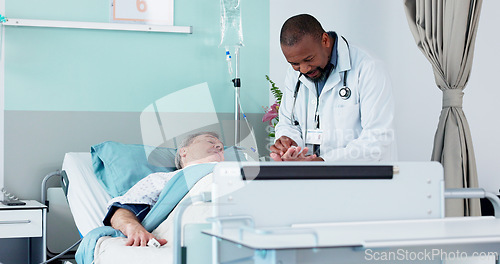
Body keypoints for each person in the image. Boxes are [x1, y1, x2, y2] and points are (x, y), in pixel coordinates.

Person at [270, 14, 396, 162]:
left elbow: (377, 139)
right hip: (310, 177)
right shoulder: (295, 73)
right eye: (294, 63)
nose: (303, 69)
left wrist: (323, 162)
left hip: (359, 178)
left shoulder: (368, 68)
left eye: (309, 59)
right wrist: (289, 143)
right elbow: (288, 122)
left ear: (325, 40)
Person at [102, 132, 224, 247]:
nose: (219, 146)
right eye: (210, 141)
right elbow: (123, 211)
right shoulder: (163, 179)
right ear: (184, 151)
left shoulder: (236, 170)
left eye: (222, 148)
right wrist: (133, 227)